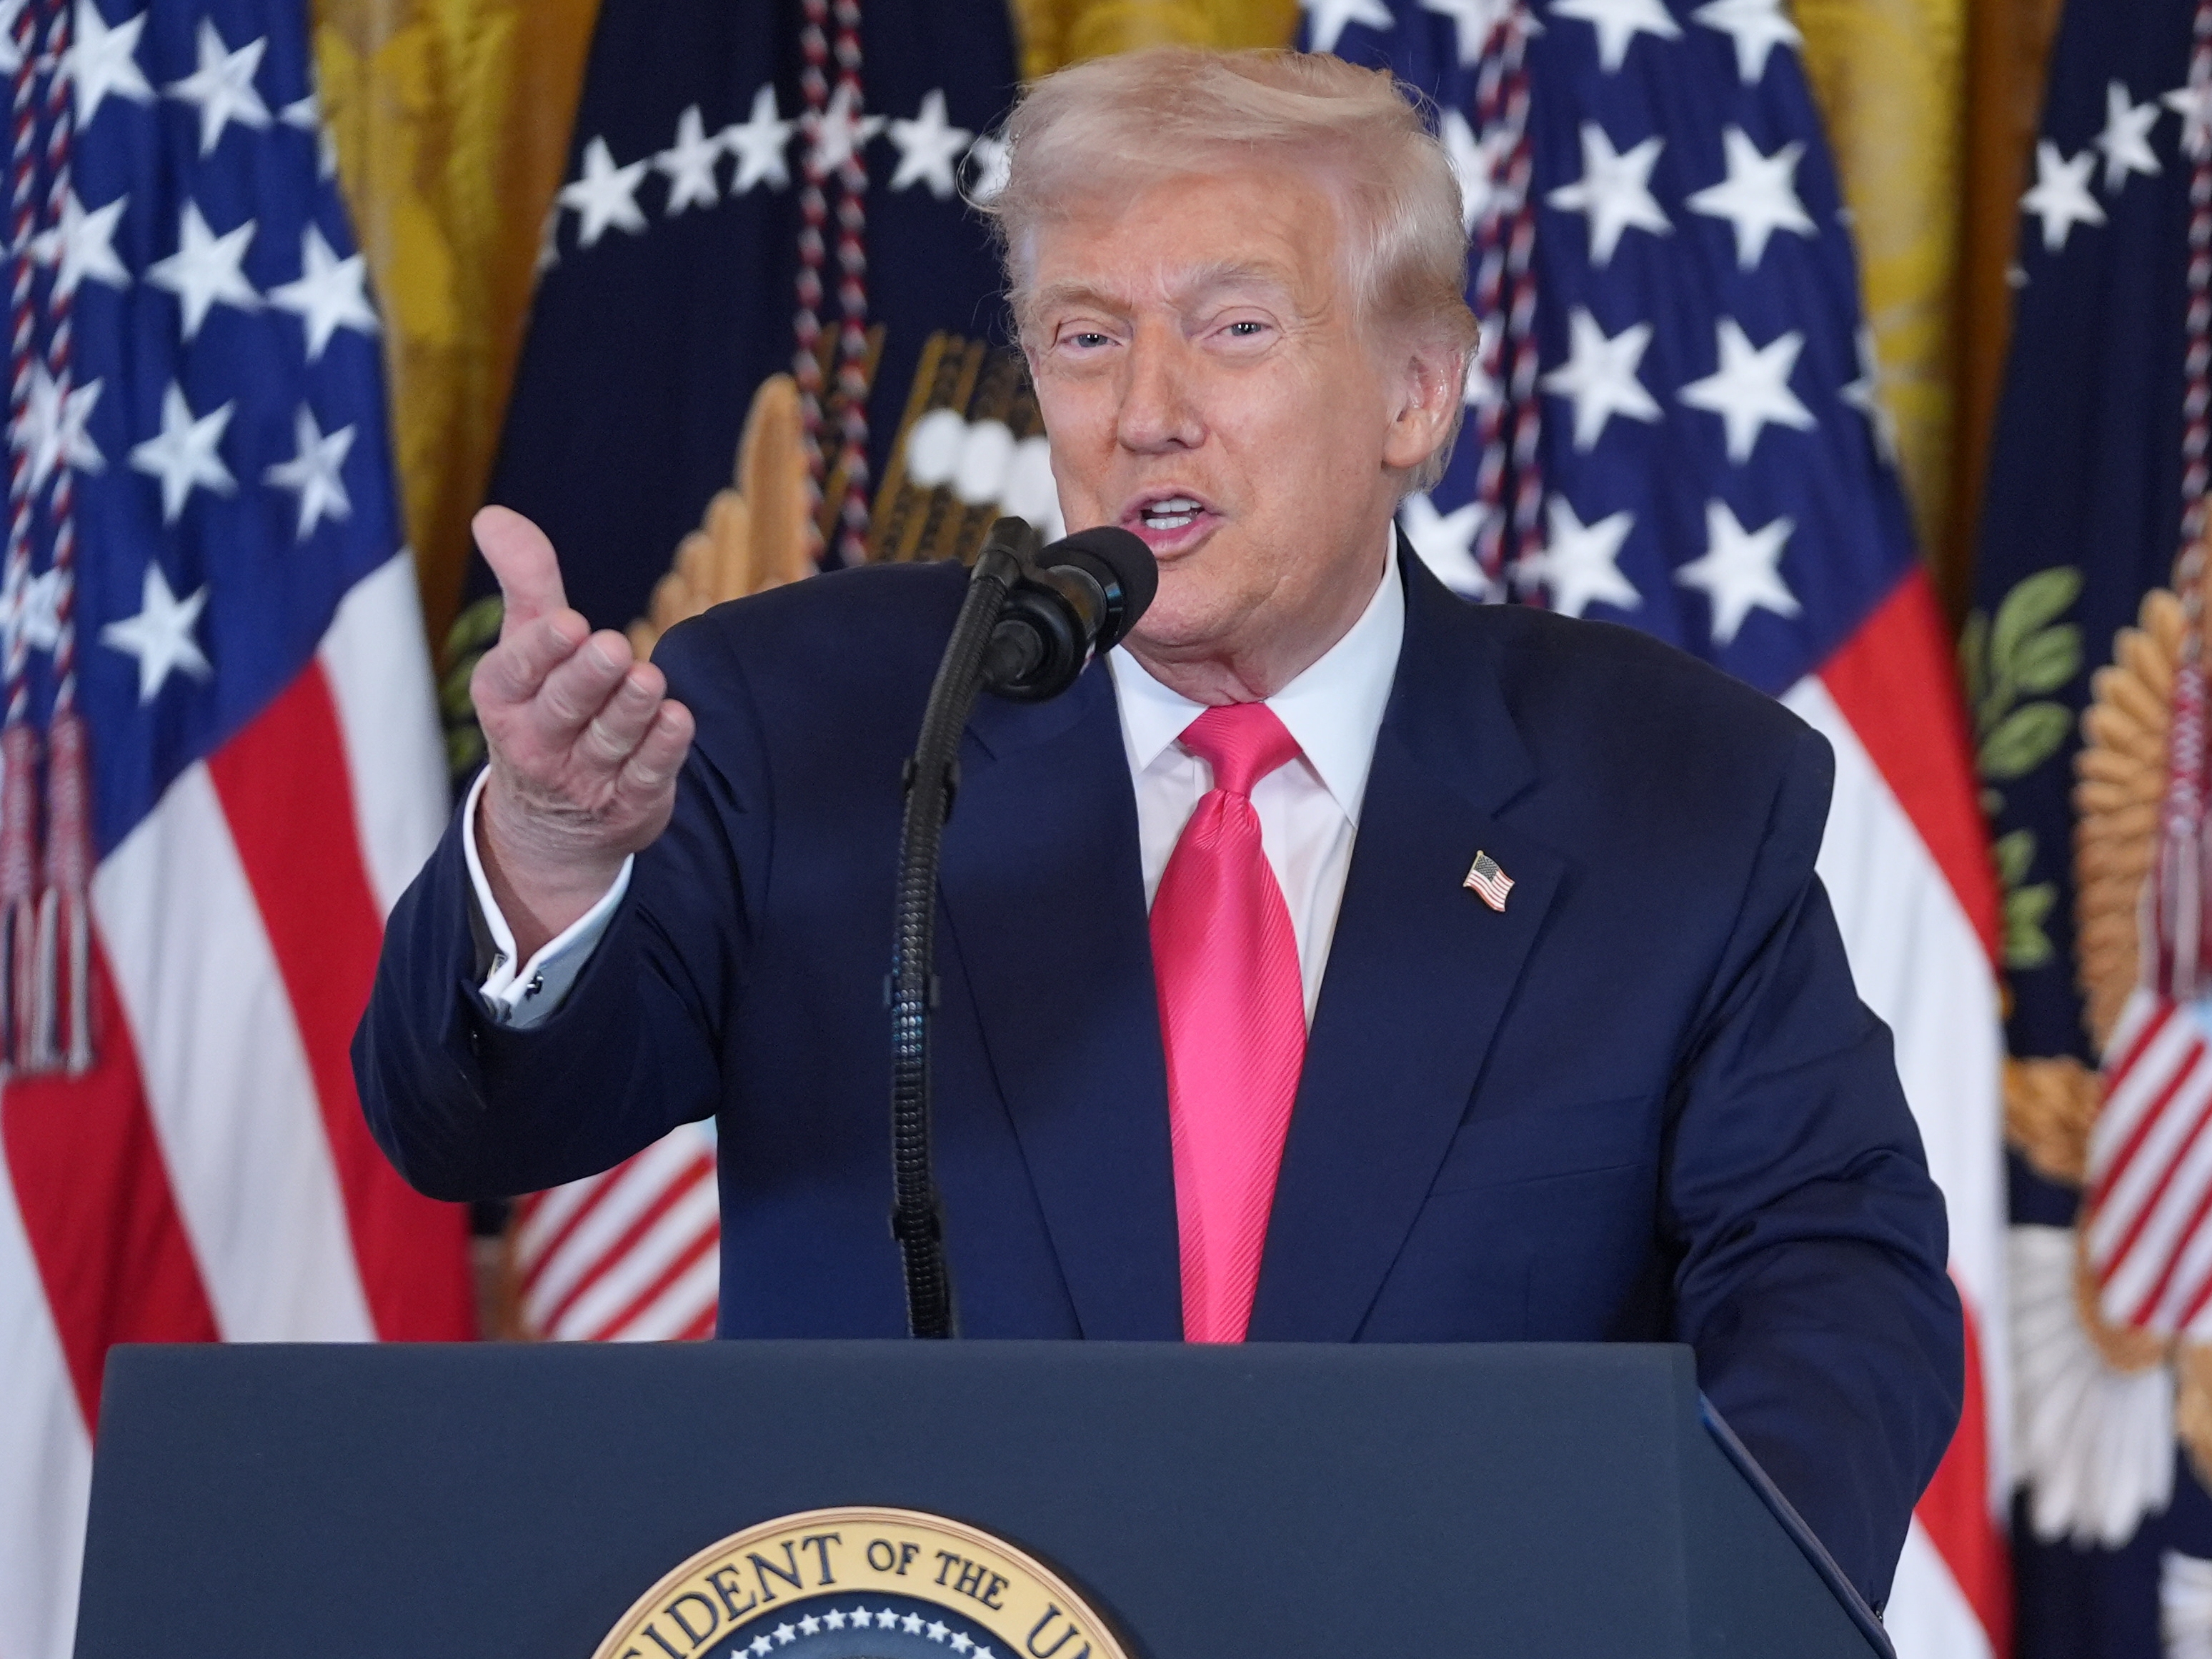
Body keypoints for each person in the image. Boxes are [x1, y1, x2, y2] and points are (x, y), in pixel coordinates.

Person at [354, 46, 1961, 1611]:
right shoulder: (809, 715)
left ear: (1416, 393)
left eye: (1236, 329)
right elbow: (469, 1129)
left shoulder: (1671, 783)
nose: (1147, 413)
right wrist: (553, 857)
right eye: (1085, 337)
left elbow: (1832, 1275)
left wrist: (1680, 1599)